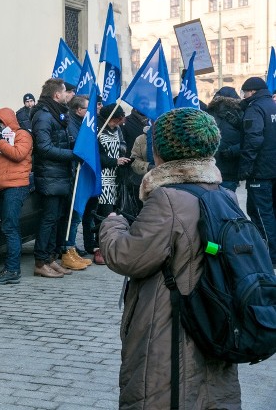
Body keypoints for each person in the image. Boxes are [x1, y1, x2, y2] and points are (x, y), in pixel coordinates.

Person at [99, 108, 240, 409]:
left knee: (167, 393)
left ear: (163, 152)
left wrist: (113, 224)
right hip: (213, 321)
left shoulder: (168, 199)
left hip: (170, 325)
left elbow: (127, 257)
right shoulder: (224, 194)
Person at [30, 78, 76, 278]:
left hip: (59, 175)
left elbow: (61, 140)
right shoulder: (43, 116)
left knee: (56, 218)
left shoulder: (57, 114)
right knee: (48, 219)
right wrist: (72, 155)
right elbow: (44, 148)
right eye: (66, 91)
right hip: (49, 175)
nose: (68, 95)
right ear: (57, 95)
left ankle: (50, 258)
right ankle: (40, 261)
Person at [0, 107, 33, 284]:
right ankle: (10, 269)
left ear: (8, 121)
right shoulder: (3, 138)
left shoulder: (22, 135)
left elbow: (18, 155)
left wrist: (0, 140)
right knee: (8, 227)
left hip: (16, 187)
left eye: (0, 122)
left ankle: (13, 270)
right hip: (3, 187)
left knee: (11, 228)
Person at [238, 77, 276, 266]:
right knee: (271, 212)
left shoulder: (255, 108)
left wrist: (245, 168)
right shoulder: (273, 105)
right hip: (273, 169)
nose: (243, 96)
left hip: (260, 172)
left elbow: (253, 140)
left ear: (251, 91)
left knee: (261, 213)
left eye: (244, 92)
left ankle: (270, 257)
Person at [91, 104, 129, 265]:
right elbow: (95, 155)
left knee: (115, 212)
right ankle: (99, 246)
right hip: (104, 175)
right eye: (114, 122)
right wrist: (114, 160)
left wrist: (123, 156)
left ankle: (112, 245)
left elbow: (123, 145)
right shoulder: (98, 130)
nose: (116, 125)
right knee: (104, 212)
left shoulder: (117, 130)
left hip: (116, 176)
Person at [60, 95, 91, 270]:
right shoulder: (72, 124)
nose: (89, 112)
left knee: (76, 215)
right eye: (87, 108)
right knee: (73, 214)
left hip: (77, 173)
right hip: (72, 174)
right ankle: (67, 250)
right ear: (79, 110)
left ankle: (71, 248)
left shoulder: (80, 123)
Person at [207, 86, 243, 192]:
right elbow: (250, 139)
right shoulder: (241, 113)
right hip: (231, 167)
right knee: (229, 201)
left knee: (211, 203)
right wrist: (234, 151)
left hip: (210, 167)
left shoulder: (208, 113)